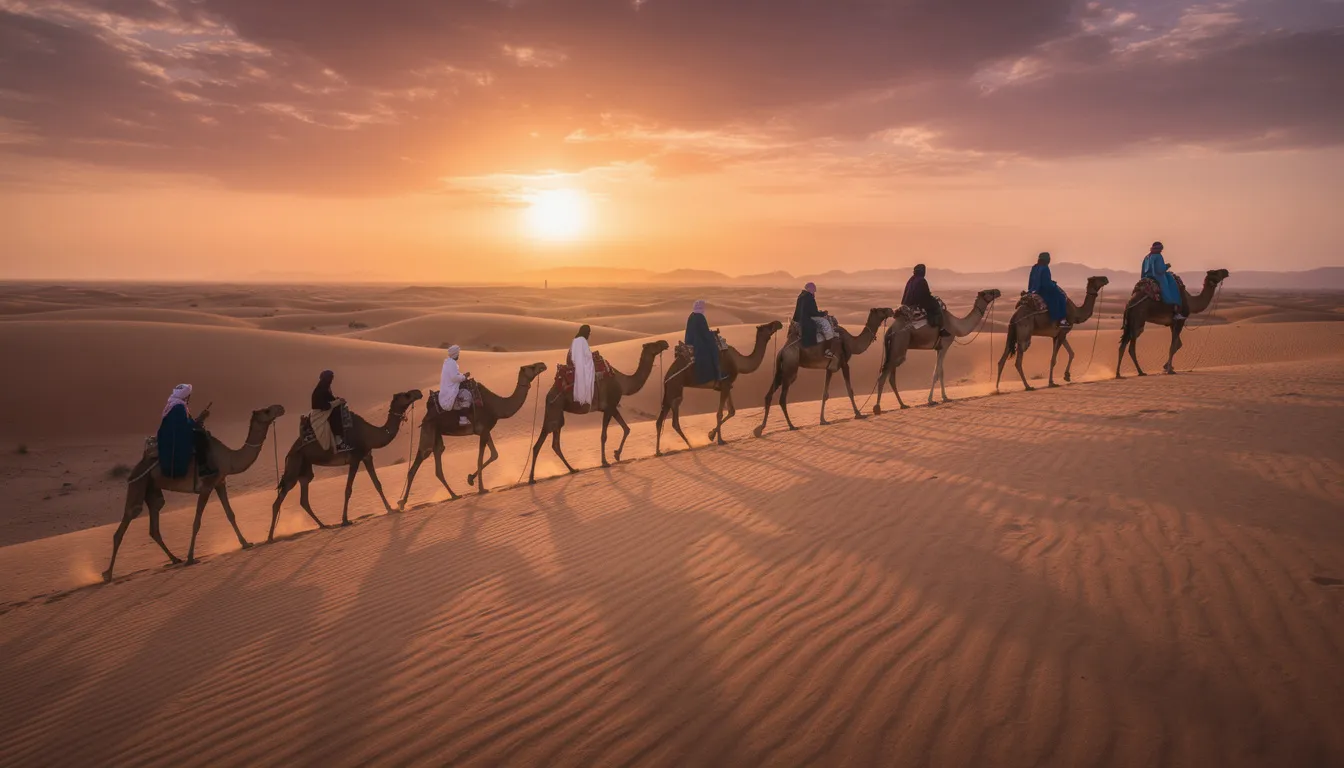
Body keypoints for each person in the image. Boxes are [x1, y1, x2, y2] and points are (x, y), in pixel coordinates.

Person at [156, 383, 214, 478]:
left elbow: (186, 422)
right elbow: (184, 426)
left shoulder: (174, 403)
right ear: (185, 396)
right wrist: (199, 421)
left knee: (201, 434)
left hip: (171, 433)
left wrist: (199, 420)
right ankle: (202, 468)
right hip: (176, 436)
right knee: (201, 438)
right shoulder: (178, 407)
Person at [1141, 241, 1187, 320]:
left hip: (1147, 277)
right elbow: (1160, 270)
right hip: (1158, 277)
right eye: (1160, 249)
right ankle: (1175, 310)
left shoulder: (1147, 257)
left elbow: (1143, 270)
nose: (1161, 251)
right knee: (1172, 286)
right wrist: (1167, 266)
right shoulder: (1158, 256)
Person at [901, 264, 949, 337]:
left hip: (906, 303)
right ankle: (941, 329)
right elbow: (925, 295)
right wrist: (933, 300)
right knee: (937, 307)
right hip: (916, 303)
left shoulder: (911, 279)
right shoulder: (921, 280)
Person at [685, 299, 724, 385]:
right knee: (714, 349)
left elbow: (700, 331)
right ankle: (717, 376)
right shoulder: (700, 317)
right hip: (698, 343)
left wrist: (710, 333)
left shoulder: (692, 315)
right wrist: (712, 335)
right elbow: (705, 333)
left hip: (690, 341)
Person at [793, 282, 838, 353]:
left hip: (800, 318)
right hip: (807, 319)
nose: (814, 292)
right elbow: (813, 312)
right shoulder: (809, 297)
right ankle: (829, 347)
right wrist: (823, 313)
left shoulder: (801, 296)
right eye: (814, 290)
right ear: (811, 289)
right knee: (825, 322)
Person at [1028, 252, 1070, 328]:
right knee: (1061, 297)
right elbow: (1046, 284)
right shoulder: (1045, 268)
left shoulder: (1034, 267)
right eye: (1049, 259)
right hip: (1043, 291)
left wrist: (1031, 290)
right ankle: (1062, 320)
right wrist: (1053, 285)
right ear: (1046, 259)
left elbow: (1031, 281)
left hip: (1033, 290)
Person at [311, 369, 349, 450]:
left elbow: (330, 399)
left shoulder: (324, 388)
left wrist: (337, 400)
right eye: (330, 379)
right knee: (336, 412)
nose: (331, 381)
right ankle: (338, 440)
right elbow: (325, 406)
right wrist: (337, 402)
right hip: (320, 414)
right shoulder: (320, 391)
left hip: (324, 410)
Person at [438, 346, 472, 425]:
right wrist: (464, 377)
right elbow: (454, 378)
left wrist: (463, 375)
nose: (458, 355)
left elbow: (455, 374)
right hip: (450, 390)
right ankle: (463, 419)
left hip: (447, 388)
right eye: (458, 354)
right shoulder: (452, 363)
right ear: (455, 354)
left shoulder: (448, 362)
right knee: (467, 395)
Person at [567, 325, 596, 406]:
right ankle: (586, 399)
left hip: (576, 364)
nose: (589, 335)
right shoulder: (583, 340)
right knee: (590, 373)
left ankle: (578, 397)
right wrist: (591, 355)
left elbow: (572, 355)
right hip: (583, 364)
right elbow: (587, 354)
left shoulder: (575, 340)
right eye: (589, 333)